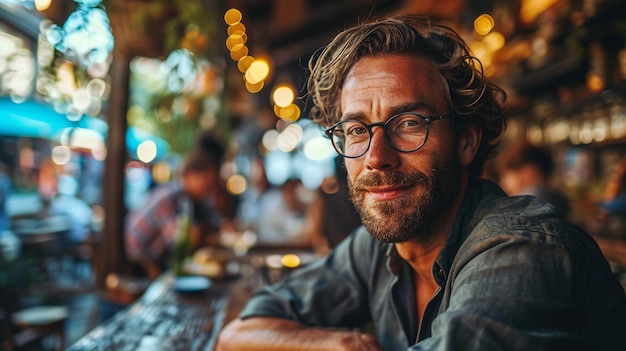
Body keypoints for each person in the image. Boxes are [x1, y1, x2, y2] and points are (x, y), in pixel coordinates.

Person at [216, 14, 626, 351]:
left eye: (409, 123)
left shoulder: (524, 250)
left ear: (465, 142)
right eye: (357, 130)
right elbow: (238, 334)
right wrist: (339, 344)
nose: (376, 157)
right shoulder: (378, 249)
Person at [125, 131, 232, 279]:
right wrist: (206, 233)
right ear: (190, 175)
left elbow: (213, 220)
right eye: (207, 181)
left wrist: (220, 225)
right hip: (135, 268)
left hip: (156, 267)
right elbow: (181, 240)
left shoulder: (190, 200)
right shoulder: (169, 197)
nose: (209, 188)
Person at [497, 141, 571, 219]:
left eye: (506, 175)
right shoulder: (556, 197)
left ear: (529, 171)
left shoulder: (531, 199)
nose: (502, 183)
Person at [303, 156, 361, 254]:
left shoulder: (326, 194)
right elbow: (315, 235)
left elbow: (314, 234)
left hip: (345, 251)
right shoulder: (327, 195)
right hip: (346, 251)